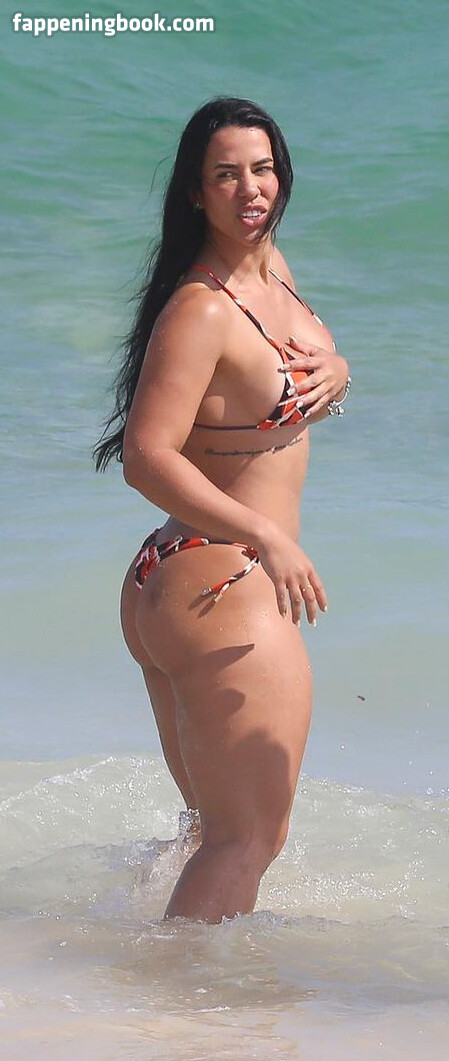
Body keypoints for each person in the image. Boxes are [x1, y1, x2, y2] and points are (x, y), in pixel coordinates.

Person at [93, 97, 351, 924]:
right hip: (221, 582)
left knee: (216, 828)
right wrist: (266, 534)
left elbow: (274, 381)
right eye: (226, 175)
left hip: (180, 578)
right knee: (246, 838)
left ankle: (122, 969)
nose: (251, 189)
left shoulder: (269, 273)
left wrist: (339, 369)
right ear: (194, 192)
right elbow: (146, 456)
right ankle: (188, 995)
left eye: (263, 168)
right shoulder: (201, 306)